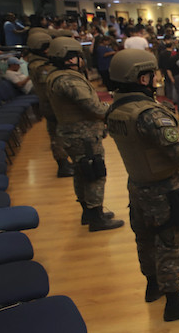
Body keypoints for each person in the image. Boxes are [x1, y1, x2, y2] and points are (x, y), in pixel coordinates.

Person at [106, 49, 179, 322]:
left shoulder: (116, 109)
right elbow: (178, 151)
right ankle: (175, 301)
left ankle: (153, 286)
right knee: (170, 244)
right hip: (165, 191)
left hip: (138, 185)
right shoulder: (149, 113)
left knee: (145, 239)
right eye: (153, 75)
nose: (157, 79)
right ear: (143, 78)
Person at [46, 36, 124, 231]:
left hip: (74, 134)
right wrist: (114, 108)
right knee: (94, 173)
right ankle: (96, 217)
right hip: (83, 135)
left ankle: (89, 212)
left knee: (82, 172)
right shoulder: (69, 81)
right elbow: (95, 109)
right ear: (69, 58)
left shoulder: (56, 76)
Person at [27, 30, 74, 177]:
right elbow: (51, 86)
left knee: (57, 134)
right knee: (57, 136)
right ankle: (63, 165)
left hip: (49, 105)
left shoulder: (36, 62)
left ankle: (64, 163)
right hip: (52, 106)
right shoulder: (42, 67)